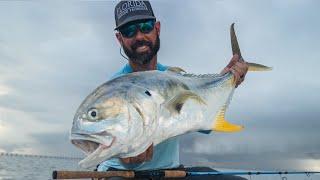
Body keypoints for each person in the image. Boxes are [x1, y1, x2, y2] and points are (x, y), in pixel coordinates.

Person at [97, 1, 248, 179]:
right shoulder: (116, 88)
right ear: (119, 38)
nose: (139, 36)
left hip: (170, 172)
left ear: (157, 29)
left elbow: (203, 123)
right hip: (119, 174)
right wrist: (123, 155)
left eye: (145, 27)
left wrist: (228, 81)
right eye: (129, 31)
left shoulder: (174, 78)